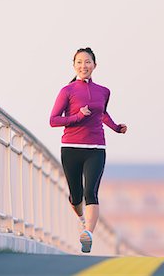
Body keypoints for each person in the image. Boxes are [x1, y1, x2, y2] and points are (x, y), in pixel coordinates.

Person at [49, 47, 127, 253]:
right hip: (71, 148)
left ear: (95, 65)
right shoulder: (67, 91)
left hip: (96, 148)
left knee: (90, 192)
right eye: (79, 62)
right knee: (76, 197)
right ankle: (82, 218)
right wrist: (77, 117)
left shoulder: (104, 91)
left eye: (88, 62)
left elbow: (103, 114)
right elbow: (53, 120)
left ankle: (88, 233)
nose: (84, 66)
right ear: (74, 65)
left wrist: (117, 128)